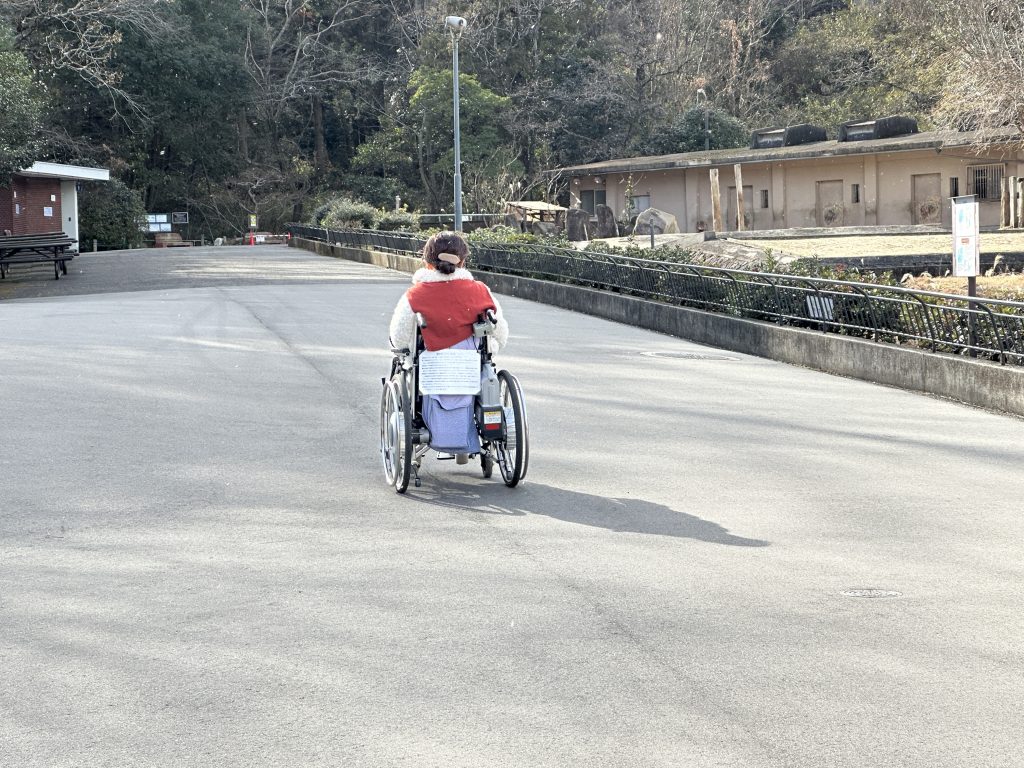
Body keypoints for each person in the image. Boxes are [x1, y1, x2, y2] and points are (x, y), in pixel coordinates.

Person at [389, 231, 509, 463]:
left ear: (427, 261)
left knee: (403, 360)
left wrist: (398, 348)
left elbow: (400, 337)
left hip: (431, 374)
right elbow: (499, 332)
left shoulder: (415, 295)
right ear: (463, 261)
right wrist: (491, 346)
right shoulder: (480, 291)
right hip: (470, 372)